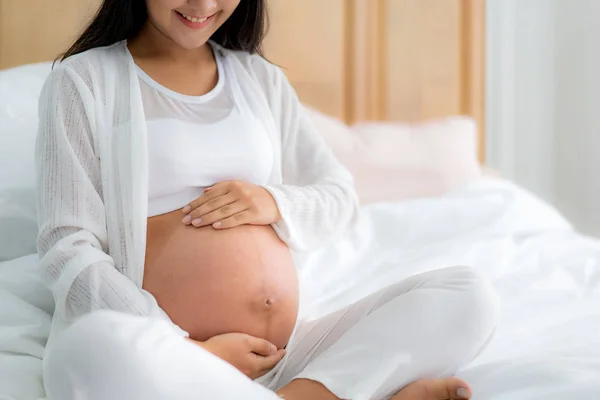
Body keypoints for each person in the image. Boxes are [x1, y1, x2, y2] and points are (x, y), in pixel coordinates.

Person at [36, 0, 498, 399]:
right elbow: (67, 246)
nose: (202, 4)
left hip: (286, 356)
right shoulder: (83, 81)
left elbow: (338, 196)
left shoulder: (258, 79)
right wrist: (184, 348)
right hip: (167, 356)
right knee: (89, 349)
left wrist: (274, 202)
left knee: (469, 296)